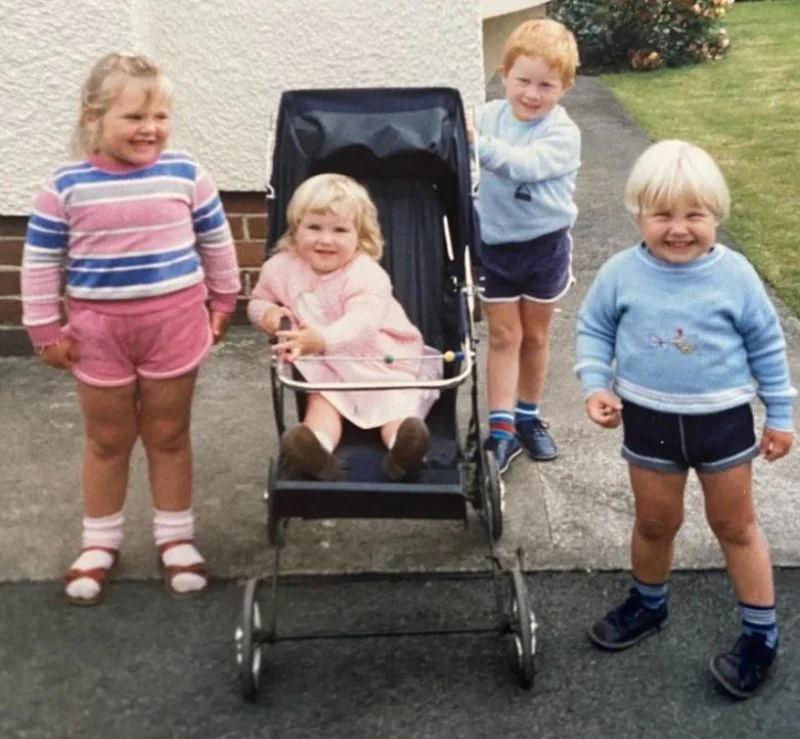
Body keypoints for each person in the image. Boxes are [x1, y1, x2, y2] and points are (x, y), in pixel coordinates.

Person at [575, 140, 796, 698]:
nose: (678, 229)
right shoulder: (622, 272)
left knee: (735, 527)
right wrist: (596, 383)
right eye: (662, 215)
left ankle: (760, 636)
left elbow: (768, 346)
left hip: (721, 424)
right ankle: (648, 604)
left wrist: (781, 415)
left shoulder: (736, 276)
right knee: (654, 523)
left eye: (694, 215)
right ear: (637, 214)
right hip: (648, 422)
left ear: (715, 214)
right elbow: (594, 329)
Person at [21, 52, 241, 605]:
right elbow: (41, 261)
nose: (150, 130)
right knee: (107, 440)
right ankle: (99, 543)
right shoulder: (65, 186)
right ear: (94, 117)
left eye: (160, 117)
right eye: (134, 117)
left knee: (168, 435)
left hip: (174, 326)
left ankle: (176, 538)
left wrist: (225, 299)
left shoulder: (187, 174)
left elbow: (216, 242)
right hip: (98, 337)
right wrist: (44, 329)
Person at [248, 173, 439, 481]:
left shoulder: (366, 274)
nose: (326, 239)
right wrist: (268, 313)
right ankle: (316, 451)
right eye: (313, 227)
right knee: (323, 402)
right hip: (328, 367)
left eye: (339, 230)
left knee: (395, 403)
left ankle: (403, 448)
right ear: (296, 229)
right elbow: (257, 301)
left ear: (359, 237)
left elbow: (362, 324)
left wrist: (322, 339)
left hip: (382, 361)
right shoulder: (280, 268)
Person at [467, 19, 581, 474]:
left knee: (534, 336)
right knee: (502, 336)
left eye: (546, 85)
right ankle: (502, 430)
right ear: (503, 73)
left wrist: (479, 145)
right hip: (495, 245)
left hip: (545, 246)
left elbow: (524, 166)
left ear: (565, 87)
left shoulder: (562, 134)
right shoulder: (488, 115)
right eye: (523, 81)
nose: (532, 94)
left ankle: (528, 416)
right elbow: (457, 135)